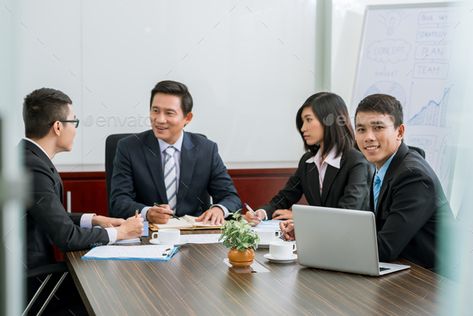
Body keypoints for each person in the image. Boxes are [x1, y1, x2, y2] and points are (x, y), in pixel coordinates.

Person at [281, 93, 453, 270]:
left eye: (378, 127)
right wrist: (309, 230)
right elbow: (370, 233)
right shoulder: (383, 167)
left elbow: (384, 248)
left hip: (434, 282)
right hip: (406, 270)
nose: (368, 137)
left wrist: (315, 237)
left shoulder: (413, 177)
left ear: (400, 132)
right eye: (361, 129)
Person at [21, 88, 143, 314]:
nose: (75, 130)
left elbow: (50, 215)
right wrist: (121, 233)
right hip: (32, 284)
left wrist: (94, 219)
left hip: (32, 276)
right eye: (73, 121)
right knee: (110, 290)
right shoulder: (33, 167)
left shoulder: (28, 158)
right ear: (58, 127)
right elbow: (66, 237)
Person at [110, 80, 241, 225]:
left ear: (187, 118)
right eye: (155, 111)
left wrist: (219, 209)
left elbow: (231, 197)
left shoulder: (207, 150)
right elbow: (118, 202)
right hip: (146, 235)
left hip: (194, 236)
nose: (159, 119)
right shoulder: (129, 148)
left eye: (169, 113)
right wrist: (147, 212)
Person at [245, 92, 371, 224]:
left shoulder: (357, 161)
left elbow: (347, 213)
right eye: (302, 121)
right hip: (320, 237)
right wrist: (261, 213)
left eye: (309, 120)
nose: (303, 128)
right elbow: (285, 197)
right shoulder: (308, 161)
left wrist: (302, 217)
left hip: (350, 238)